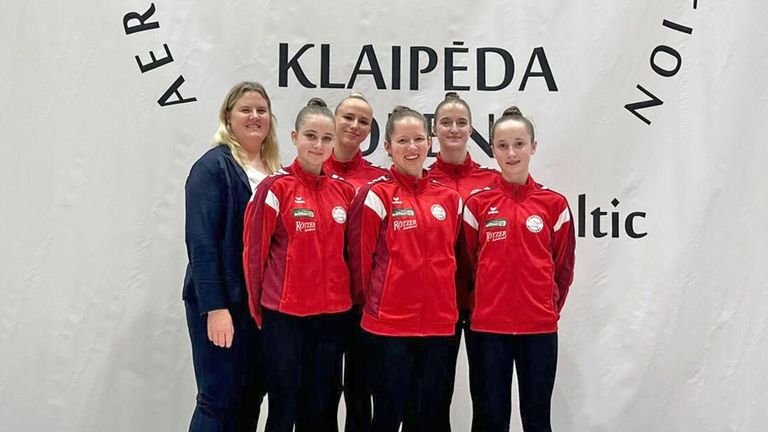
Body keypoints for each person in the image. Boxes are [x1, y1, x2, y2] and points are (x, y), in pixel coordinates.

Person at [347, 105, 463, 432]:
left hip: (439, 328)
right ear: (387, 147)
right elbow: (360, 260)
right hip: (389, 329)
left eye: (417, 139)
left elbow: (451, 255)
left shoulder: (449, 198)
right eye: (402, 141)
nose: (411, 148)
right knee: (387, 416)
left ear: (429, 142)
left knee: (426, 418)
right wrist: (376, 305)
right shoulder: (375, 195)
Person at [243, 97, 356, 432]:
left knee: (322, 407)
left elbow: (352, 255)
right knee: (284, 405)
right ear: (294, 137)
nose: (318, 145)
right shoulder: (275, 189)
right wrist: (259, 312)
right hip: (285, 319)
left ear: (334, 141)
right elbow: (253, 257)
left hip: (332, 318)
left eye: (325, 138)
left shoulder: (344, 193)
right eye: (310, 136)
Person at [461, 106, 576, 432]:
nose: (511, 153)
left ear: (533, 147)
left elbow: (563, 268)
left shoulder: (554, 205)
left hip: (538, 330)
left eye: (519, 144)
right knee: (489, 419)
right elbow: (468, 266)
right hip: (488, 331)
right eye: (502, 145)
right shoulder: (477, 204)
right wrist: (482, 305)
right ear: (492, 149)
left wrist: (546, 308)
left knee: (537, 419)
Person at [183, 81, 280, 432]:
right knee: (218, 400)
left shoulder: (275, 171)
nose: (255, 117)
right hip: (223, 303)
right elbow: (201, 243)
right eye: (246, 110)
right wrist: (216, 308)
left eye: (261, 110)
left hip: (259, 307)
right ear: (228, 116)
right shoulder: (212, 168)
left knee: (251, 394)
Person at [427, 92, 499, 431]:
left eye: (461, 122)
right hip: (436, 305)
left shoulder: (492, 181)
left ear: (472, 129)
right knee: (434, 396)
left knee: (487, 397)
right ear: (434, 129)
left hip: (484, 306)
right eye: (446, 122)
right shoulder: (422, 179)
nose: (453, 129)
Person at [323, 91, 387, 432]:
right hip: (323, 303)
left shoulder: (378, 178)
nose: (355, 125)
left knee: (361, 389)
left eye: (363, 121)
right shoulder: (311, 167)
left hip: (364, 303)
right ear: (335, 119)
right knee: (323, 389)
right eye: (348, 117)